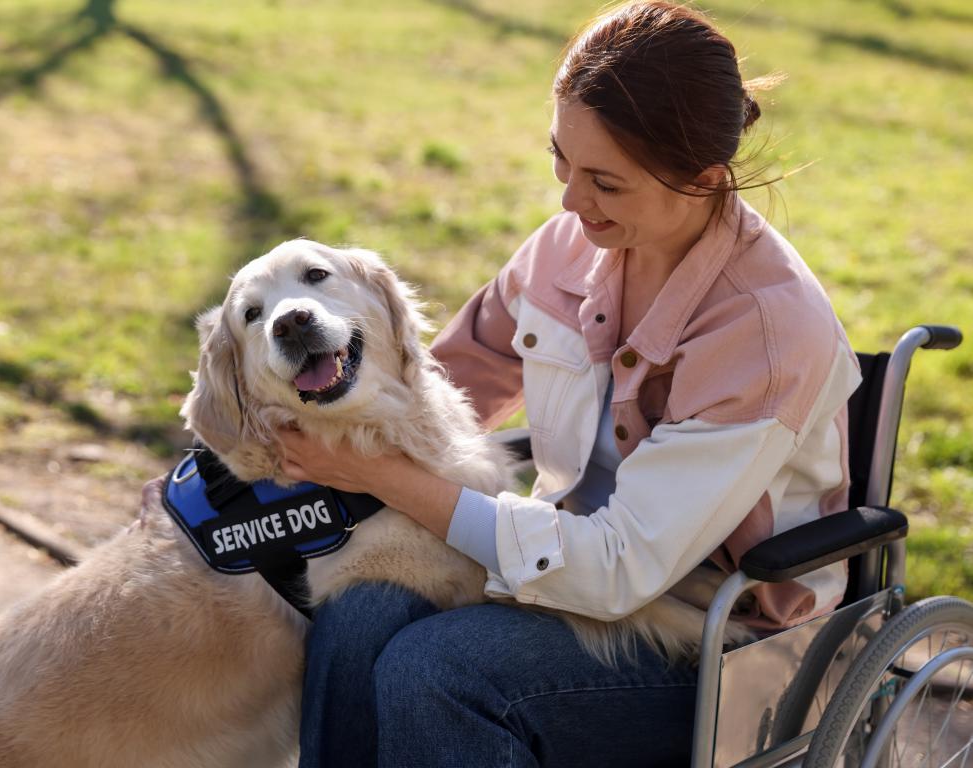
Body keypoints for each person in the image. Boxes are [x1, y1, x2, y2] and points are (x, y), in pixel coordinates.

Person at [275, 2, 860, 765]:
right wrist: (231, 470)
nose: (569, 202)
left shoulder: (765, 334)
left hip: (720, 642)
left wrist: (377, 475)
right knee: (359, 617)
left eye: (605, 184)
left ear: (703, 181)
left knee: (437, 671)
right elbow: (435, 388)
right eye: (561, 160)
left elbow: (617, 569)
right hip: (555, 571)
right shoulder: (565, 248)